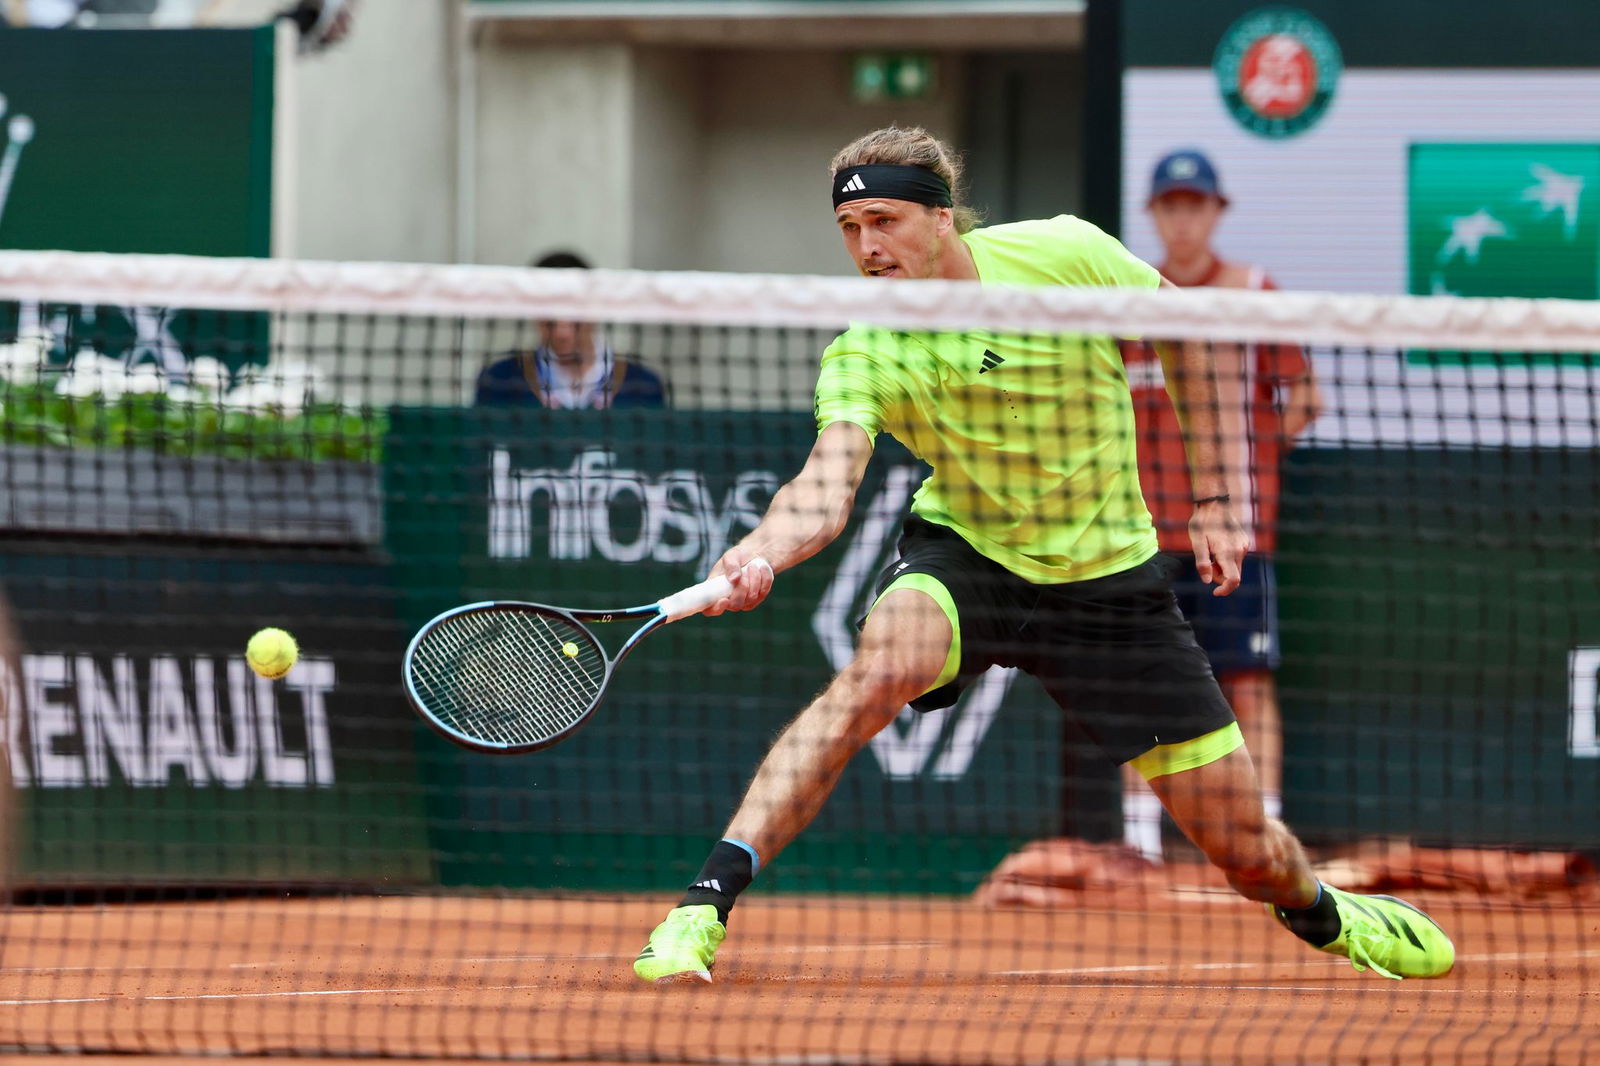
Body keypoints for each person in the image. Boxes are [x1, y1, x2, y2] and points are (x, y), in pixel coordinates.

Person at [632, 126, 1452, 985]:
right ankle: (702, 905)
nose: (868, 247)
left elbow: (1194, 335)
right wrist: (758, 551)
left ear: (942, 219)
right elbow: (824, 485)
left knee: (1250, 855)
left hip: (1109, 584)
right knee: (877, 670)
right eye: (850, 228)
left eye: (885, 219)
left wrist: (1215, 496)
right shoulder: (867, 346)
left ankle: (1324, 913)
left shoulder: (1064, 254)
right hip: (970, 556)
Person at [1118, 149, 1321, 862]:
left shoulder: (1252, 291)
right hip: (1139, 536)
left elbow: (1305, 395)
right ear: (1154, 214)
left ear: (1215, 212)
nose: (1182, 218)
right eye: (1170, 205)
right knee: (1139, 682)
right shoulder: (1127, 299)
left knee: (1247, 680)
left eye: (1194, 204)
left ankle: (1267, 832)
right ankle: (1139, 842)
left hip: (1238, 530)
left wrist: (1257, 458)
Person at [473, 251, 667, 410]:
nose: (562, 329)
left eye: (571, 311)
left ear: (592, 307)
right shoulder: (499, 380)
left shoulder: (643, 384)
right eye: (549, 314)